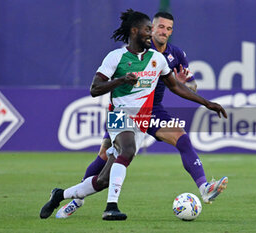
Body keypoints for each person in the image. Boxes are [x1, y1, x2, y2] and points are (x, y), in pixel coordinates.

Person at [40, 9, 227, 221]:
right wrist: (121, 80)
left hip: (148, 114)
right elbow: (95, 88)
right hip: (119, 113)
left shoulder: (163, 57)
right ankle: (104, 206)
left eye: (168, 29)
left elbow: (179, 86)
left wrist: (206, 102)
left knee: (106, 178)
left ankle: (63, 195)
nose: (160, 32)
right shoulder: (118, 56)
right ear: (139, 30)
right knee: (113, 154)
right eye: (154, 28)